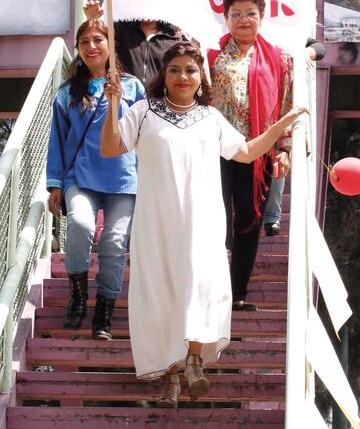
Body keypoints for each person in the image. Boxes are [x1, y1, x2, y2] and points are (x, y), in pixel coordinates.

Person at [101, 42, 306, 406]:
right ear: (164, 74)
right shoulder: (143, 111)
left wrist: (280, 128)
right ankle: (169, 376)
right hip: (156, 223)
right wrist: (113, 105)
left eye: (191, 70)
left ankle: (194, 361)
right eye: (175, 69)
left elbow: (244, 152)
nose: (183, 76)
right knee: (162, 293)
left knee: (198, 286)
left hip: (202, 222)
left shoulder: (211, 117)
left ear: (201, 77)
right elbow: (111, 148)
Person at [45, 19, 145, 340]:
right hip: (81, 175)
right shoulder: (67, 91)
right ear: (78, 49)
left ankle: (104, 309)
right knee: (81, 225)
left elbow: (144, 132)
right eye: (84, 41)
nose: (91, 46)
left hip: (124, 176)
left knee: (114, 244)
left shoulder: (131, 86)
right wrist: (55, 184)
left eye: (98, 39)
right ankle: (77, 294)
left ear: (110, 45)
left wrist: (118, 98)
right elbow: (57, 139)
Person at [206, 0, 296, 315]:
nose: (244, 20)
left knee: (249, 217)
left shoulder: (279, 58)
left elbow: (285, 106)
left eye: (251, 14)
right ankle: (209, 290)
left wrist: (284, 148)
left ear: (262, 17)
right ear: (226, 18)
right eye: (236, 14)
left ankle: (237, 292)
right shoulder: (210, 55)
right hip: (214, 148)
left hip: (257, 150)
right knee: (214, 218)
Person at [81, 1, 189, 87]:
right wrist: (93, 20)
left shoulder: (175, 37)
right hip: (124, 102)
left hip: (159, 107)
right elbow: (97, 47)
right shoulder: (119, 29)